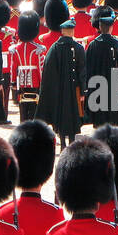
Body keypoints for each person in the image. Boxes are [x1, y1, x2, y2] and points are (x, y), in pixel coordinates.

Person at [37, 17, 86, 148]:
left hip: (58, 90)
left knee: (60, 115)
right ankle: (71, 141)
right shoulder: (78, 48)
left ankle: (63, 143)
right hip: (73, 88)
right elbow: (82, 71)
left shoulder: (54, 48)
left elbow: (47, 71)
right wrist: (83, 90)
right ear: (71, 31)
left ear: (63, 31)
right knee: (73, 115)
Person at [85, 7, 118, 129]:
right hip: (112, 79)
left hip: (96, 80)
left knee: (98, 113)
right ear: (111, 27)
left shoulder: (92, 44)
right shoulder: (117, 43)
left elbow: (87, 66)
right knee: (112, 113)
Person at [10, 11, 45, 125]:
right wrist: (42, 84)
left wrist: (13, 82)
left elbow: (13, 67)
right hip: (35, 83)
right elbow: (40, 70)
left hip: (21, 83)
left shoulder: (15, 49)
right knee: (34, 113)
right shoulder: (38, 49)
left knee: (23, 112)